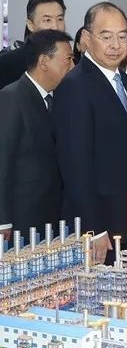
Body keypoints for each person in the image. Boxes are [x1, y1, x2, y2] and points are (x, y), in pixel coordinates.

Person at [52, 2, 127, 264]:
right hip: (102, 225)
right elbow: (75, 165)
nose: (116, 45)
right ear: (86, 38)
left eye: (123, 37)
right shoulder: (75, 87)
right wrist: (93, 228)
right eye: (106, 37)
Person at [0, 30, 74, 239]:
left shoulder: (58, 99)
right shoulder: (11, 97)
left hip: (52, 216)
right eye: (68, 59)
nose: (72, 66)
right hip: (21, 220)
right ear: (44, 62)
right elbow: (2, 160)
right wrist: (2, 219)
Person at [0, 0, 66, 89]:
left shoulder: (71, 63)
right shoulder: (6, 64)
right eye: (47, 20)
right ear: (30, 25)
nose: (55, 27)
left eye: (60, 19)